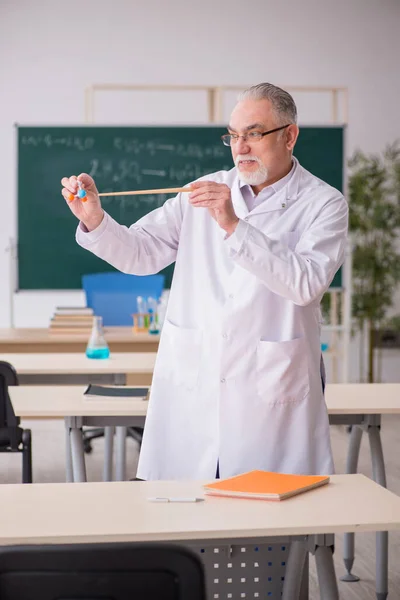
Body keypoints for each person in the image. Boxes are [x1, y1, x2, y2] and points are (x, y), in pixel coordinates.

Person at [61, 83, 348, 480]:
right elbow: (141, 254)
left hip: (272, 391)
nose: (240, 147)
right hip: (196, 382)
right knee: (184, 511)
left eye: (253, 133)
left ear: (290, 134)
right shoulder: (203, 191)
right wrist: (94, 218)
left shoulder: (323, 203)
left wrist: (233, 225)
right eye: (233, 135)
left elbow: (306, 283)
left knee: (273, 521)